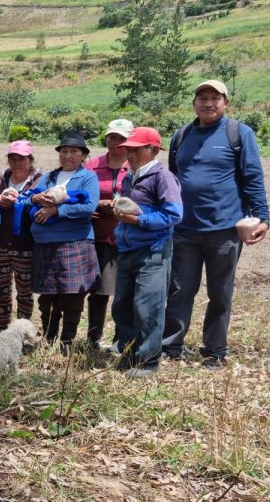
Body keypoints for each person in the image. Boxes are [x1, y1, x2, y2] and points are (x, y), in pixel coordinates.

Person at [162, 80, 270, 368]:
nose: (208, 103)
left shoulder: (238, 133)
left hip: (225, 229)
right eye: (202, 98)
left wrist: (263, 218)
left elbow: (253, 177)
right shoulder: (181, 135)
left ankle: (215, 350)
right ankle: (171, 346)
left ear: (225, 103)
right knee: (179, 290)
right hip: (184, 229)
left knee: (220, 293)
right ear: (194, 103)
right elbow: (173, 179)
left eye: (215, 98)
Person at [111, 127, 183, 378]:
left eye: (135, 149)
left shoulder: (162, 177)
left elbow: (173, 214)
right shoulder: (131, 177)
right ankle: (130, 354)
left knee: (147, 307)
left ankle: (148, 361)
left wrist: (139, 221)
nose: (129, 154)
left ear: (152, 150)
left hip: (152, 250)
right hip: (128, 248)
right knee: (122, 306)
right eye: (128, 150)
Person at [29, 132, 100, 353]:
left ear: (83, 155)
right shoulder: (48, 177)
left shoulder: (88, 178)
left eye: (74, 151)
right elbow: (31, 196)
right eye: (64, 151)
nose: (68, 155)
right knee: (47, 295)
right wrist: (34, 198)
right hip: (45, 241)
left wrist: (56, 211)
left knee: (73, 293)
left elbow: (88, 207)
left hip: (75, 241)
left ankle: (66, 342)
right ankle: (49, 338)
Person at [84, 119, 132, 350]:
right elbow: (80, 194)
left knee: (125, 291)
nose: (117, 143)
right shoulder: (92, 166)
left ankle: (121, 338)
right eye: (112, 137)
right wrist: (94, 205)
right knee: (100, 291)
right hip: (99, 237)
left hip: (129, 238)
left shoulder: (135, 167)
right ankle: (93, 337)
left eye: (122, 138)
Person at [0, 140, 44, 330]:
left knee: (25, 292)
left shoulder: (39, 180)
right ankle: (2, 331)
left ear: (30, 159)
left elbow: (41, 204)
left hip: (26, 245)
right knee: (1, 291)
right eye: (13, 158)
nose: (17, 163)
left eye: (22, 158)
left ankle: (21, 333)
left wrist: (19, 201)